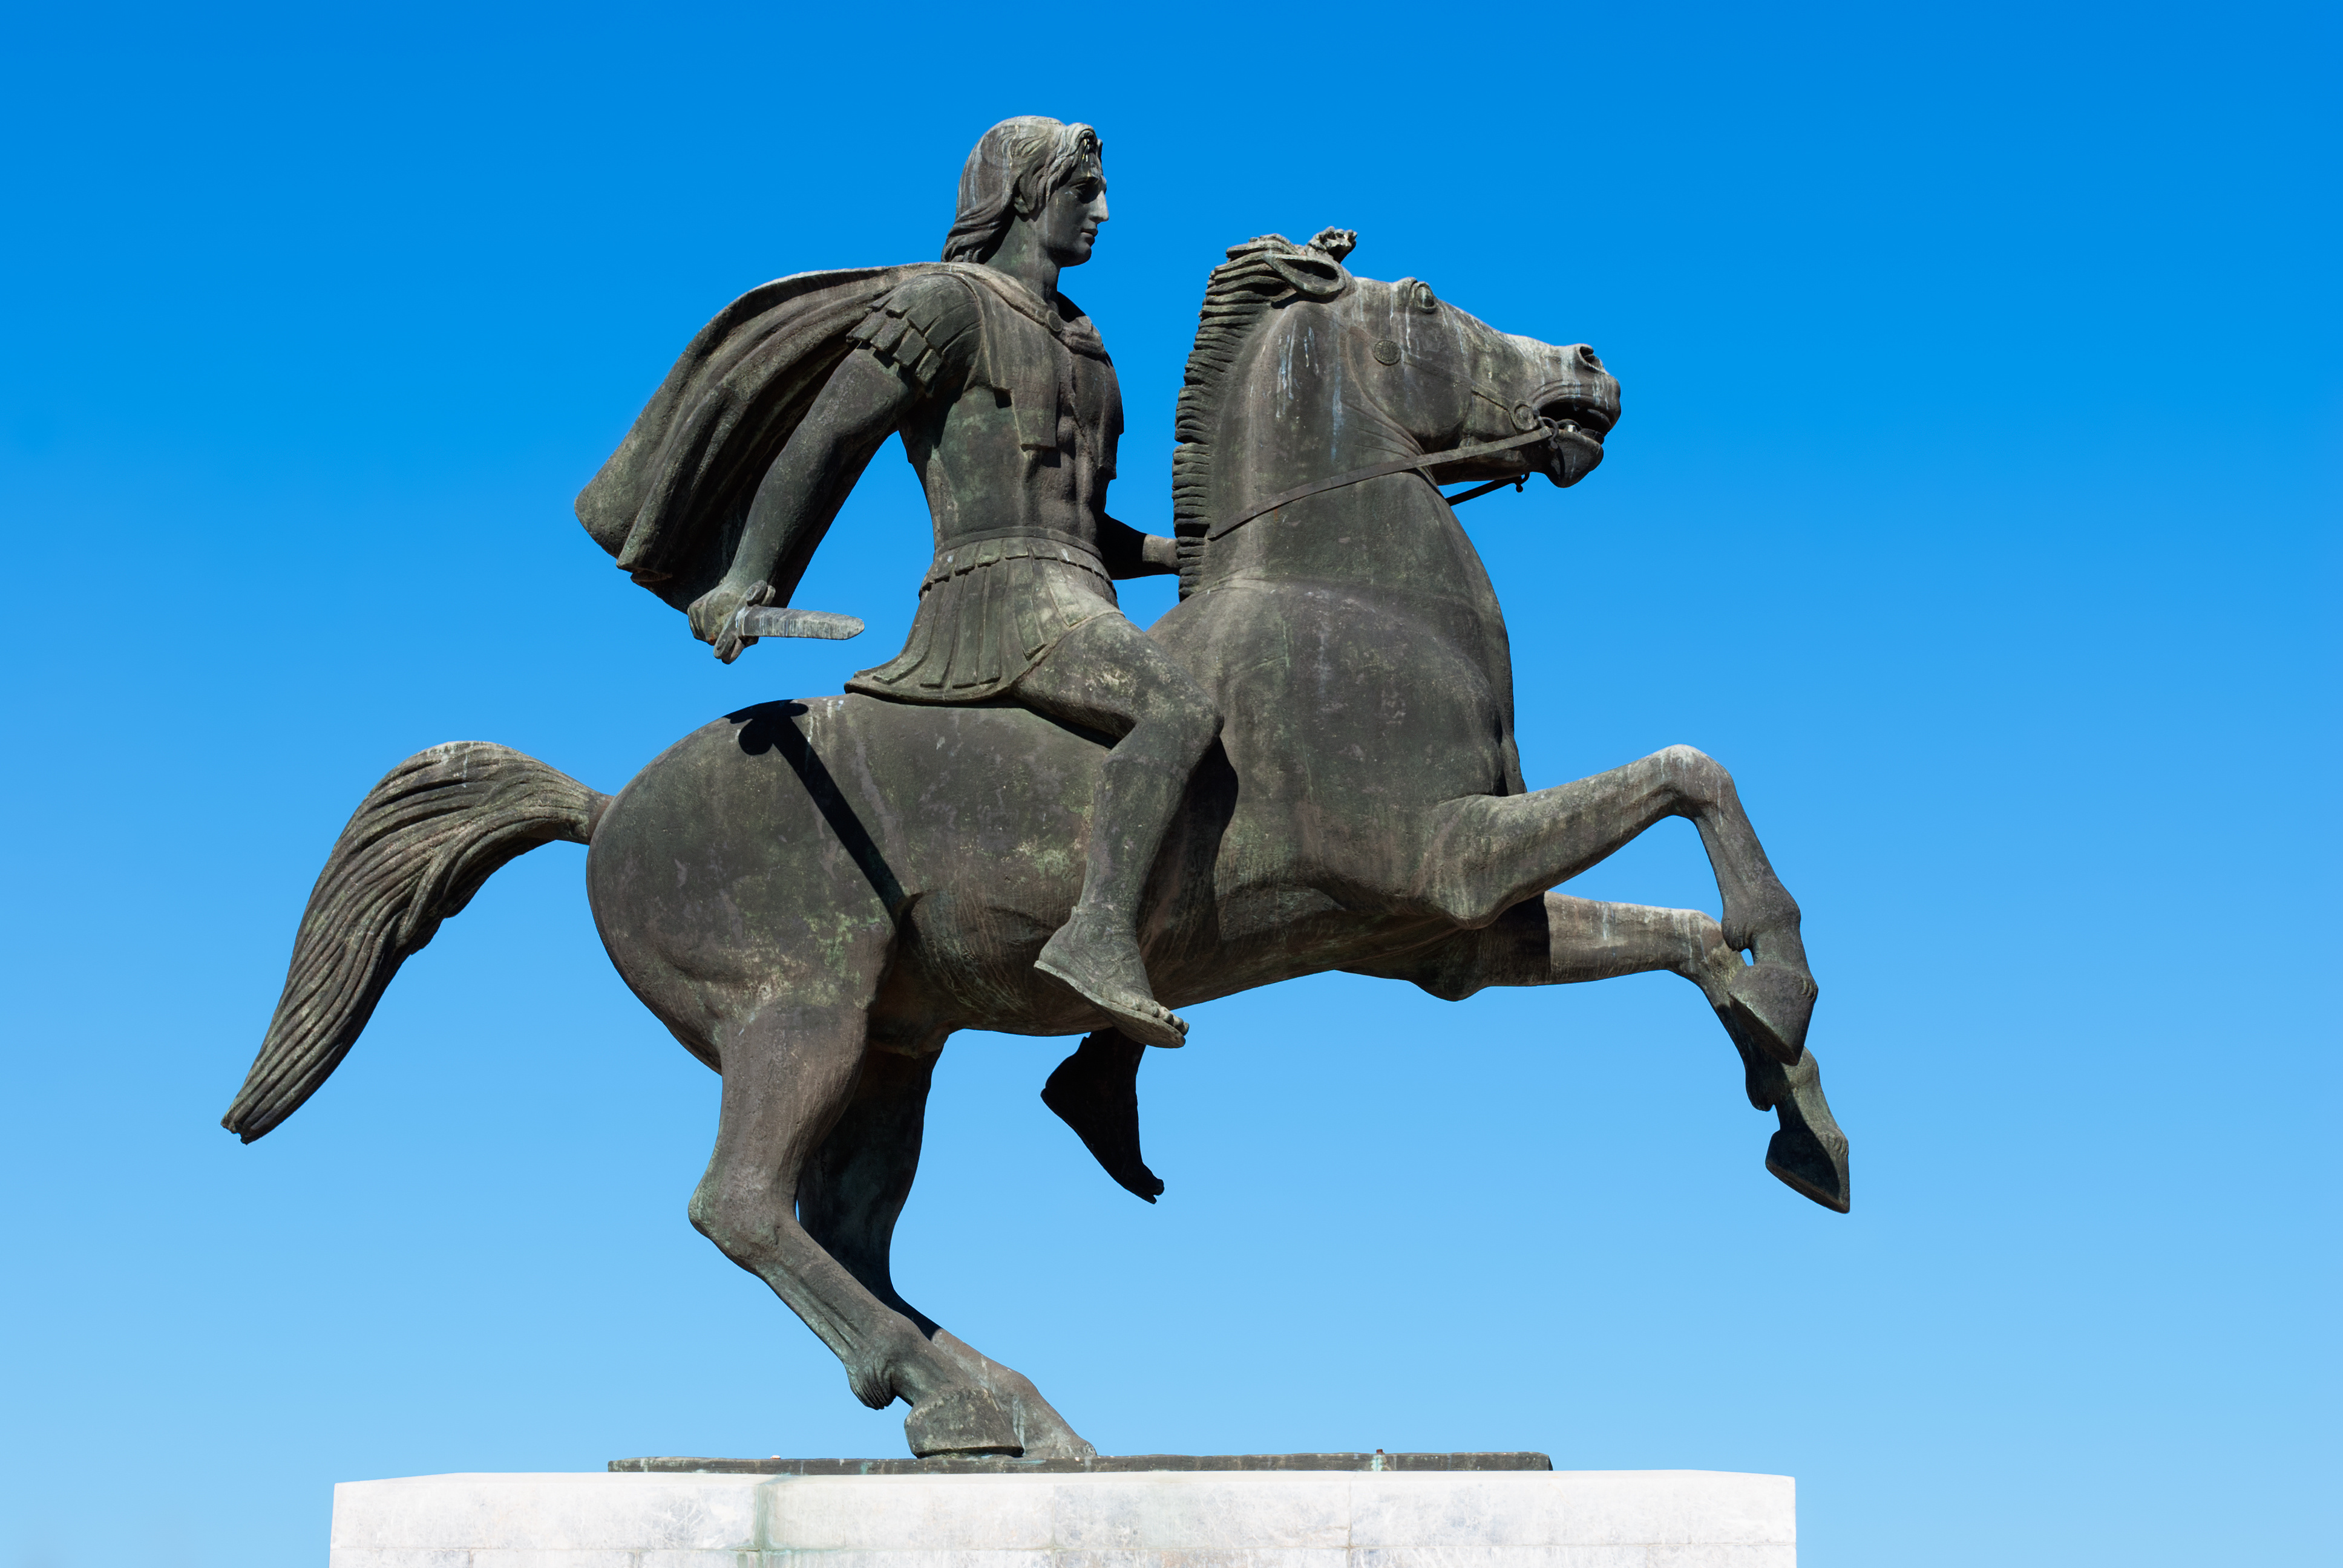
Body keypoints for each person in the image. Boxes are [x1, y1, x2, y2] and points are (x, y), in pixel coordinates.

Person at [672, 117, 1217, 1049]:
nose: (1105, 211)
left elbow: (1081, 524)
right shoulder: (947, 306)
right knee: (1177, 715)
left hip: (1081, 594)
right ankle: (1092, 940)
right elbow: (827, 438)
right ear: (1022, 195)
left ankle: (1104, 1063)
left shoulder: (1086, 341)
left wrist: (1184, 554)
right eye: (1083, 192)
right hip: (1002, 599)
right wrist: (750, 576)